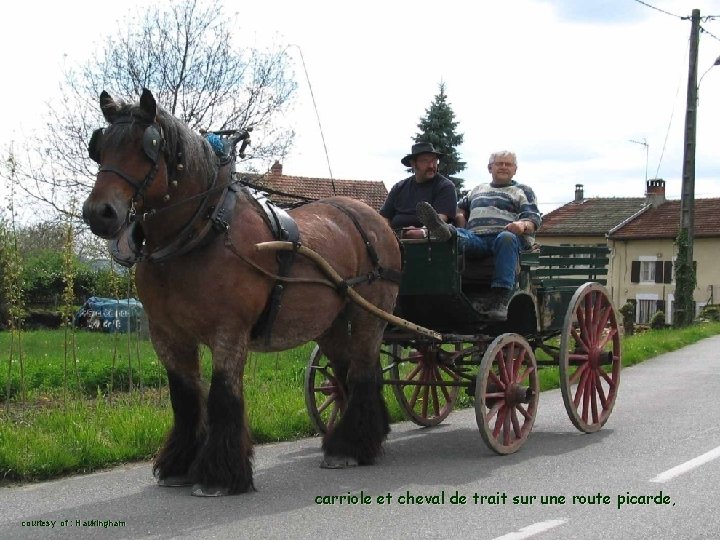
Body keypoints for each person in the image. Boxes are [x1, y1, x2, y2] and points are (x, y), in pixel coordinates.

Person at [417, 150, 541, 321]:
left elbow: (533, 218)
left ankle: (500, 299)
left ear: (515, 170)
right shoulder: (477, 189)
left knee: (505, 238)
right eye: (499, 164)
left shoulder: (522, 191)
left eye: (508, 164)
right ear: (490, 168)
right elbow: (461, 208)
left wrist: (522, 225)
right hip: (476, 239)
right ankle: (442, 230)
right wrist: (460, 218)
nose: (503, 167)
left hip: (507, 238)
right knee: (455, 237)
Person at [380, 142, 457, 238]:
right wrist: (385, 233)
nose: (431, 166)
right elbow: (384, 217)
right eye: (425, 161)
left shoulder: (445, 186)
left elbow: (441, 219)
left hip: (430, 243)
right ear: (413, 163)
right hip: (395, 240)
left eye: (434, 161)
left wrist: (422, 232)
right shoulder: (399, 188)